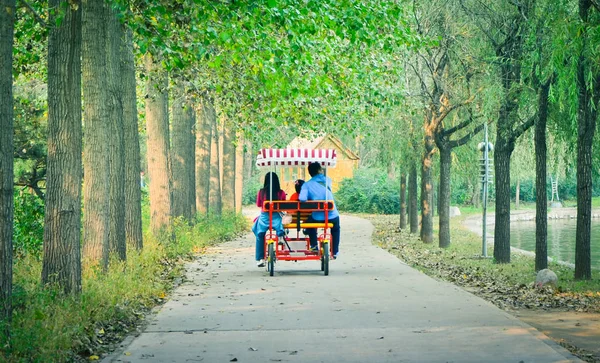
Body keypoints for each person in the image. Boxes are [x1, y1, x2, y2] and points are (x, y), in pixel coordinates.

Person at [298, 162, 340, 259]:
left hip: (318, 217)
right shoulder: (328, 181)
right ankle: (334, 252)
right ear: (319, 170)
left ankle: (314, 245)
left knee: (310, 223)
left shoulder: (307, 185)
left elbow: (302, 199)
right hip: (332, 215)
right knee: (336, 228)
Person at [252, 172, 287, 267]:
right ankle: (280, 236)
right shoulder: (281, 192)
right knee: (280, 223)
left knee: (260, 235)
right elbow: (284, 205)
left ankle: (261, 259)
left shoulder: (261, 192)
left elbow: (259, 204)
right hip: (276, 217)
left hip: (264, 217)